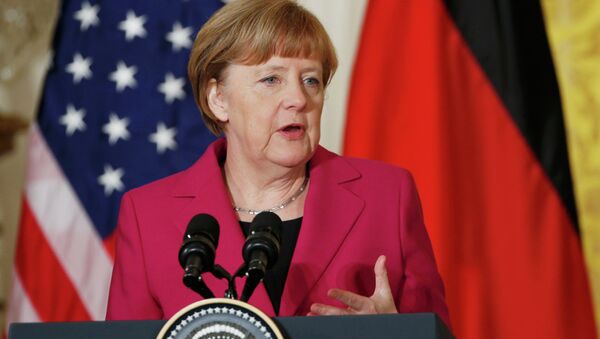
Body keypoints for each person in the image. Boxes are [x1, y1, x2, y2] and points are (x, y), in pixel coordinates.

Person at [106, 0, 450, 327]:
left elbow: (435, 330)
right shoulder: (147, 215)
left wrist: (397, 332)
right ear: (218, 99)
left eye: (311, 80)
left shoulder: (387, 196)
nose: (299, 99)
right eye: (271, 79)